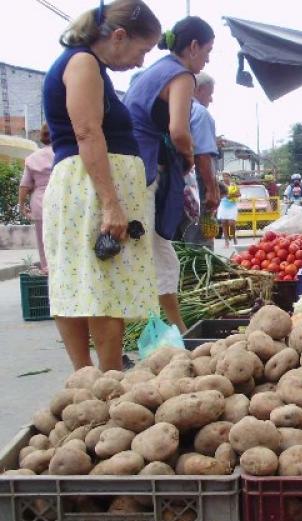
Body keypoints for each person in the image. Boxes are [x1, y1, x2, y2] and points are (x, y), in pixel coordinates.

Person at [41, 0, 161, 371]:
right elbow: (87, 132)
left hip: (84, 186)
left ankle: (90, 380)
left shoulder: (85, 64)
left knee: (81, 283)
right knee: (102, 287)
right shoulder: (83, 63)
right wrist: (111, 203)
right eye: (142, 51)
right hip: (90, 190)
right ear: (120, 36)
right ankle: (103, 378)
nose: (140, 62)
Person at [124, 15, 215, 333]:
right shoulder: (181, 74)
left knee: (159, 253)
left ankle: (176, 331)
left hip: (131, 171)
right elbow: (179, 130)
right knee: (137, 254)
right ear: (192, 47)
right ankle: (151, 331)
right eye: (207, 51)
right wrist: (187, 155)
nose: (207, 59)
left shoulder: (155, 70)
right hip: (140, 173)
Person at [182, 70, 220, 247]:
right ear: (200, 90)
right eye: (210, 94)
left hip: (179, 186)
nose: (211, 100)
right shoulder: (200, 112)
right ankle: (201, 273)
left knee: (181, 237)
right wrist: (212, 190)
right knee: (200, 241)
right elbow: (202, 156)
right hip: (198, 187)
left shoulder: (179, 110)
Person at [18, 124, 54, 274]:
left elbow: (24, 185)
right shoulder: (64, 153)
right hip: (60, 199)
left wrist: (21, 205)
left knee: (43, 241)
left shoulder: (32, 158)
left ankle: (47, 271)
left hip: (40, 203)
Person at [217, 181, 239, 247]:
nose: (225, 177)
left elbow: (239, 194)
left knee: (231, 223)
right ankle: (226, 242)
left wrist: (231, 196)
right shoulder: (220, 185)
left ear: (229, 177)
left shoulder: (233, 184)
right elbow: (218, 195)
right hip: (223, 206)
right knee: (224, 223)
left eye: (226, 176)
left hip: (232, 206)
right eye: (224, 176)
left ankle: (234, 237)